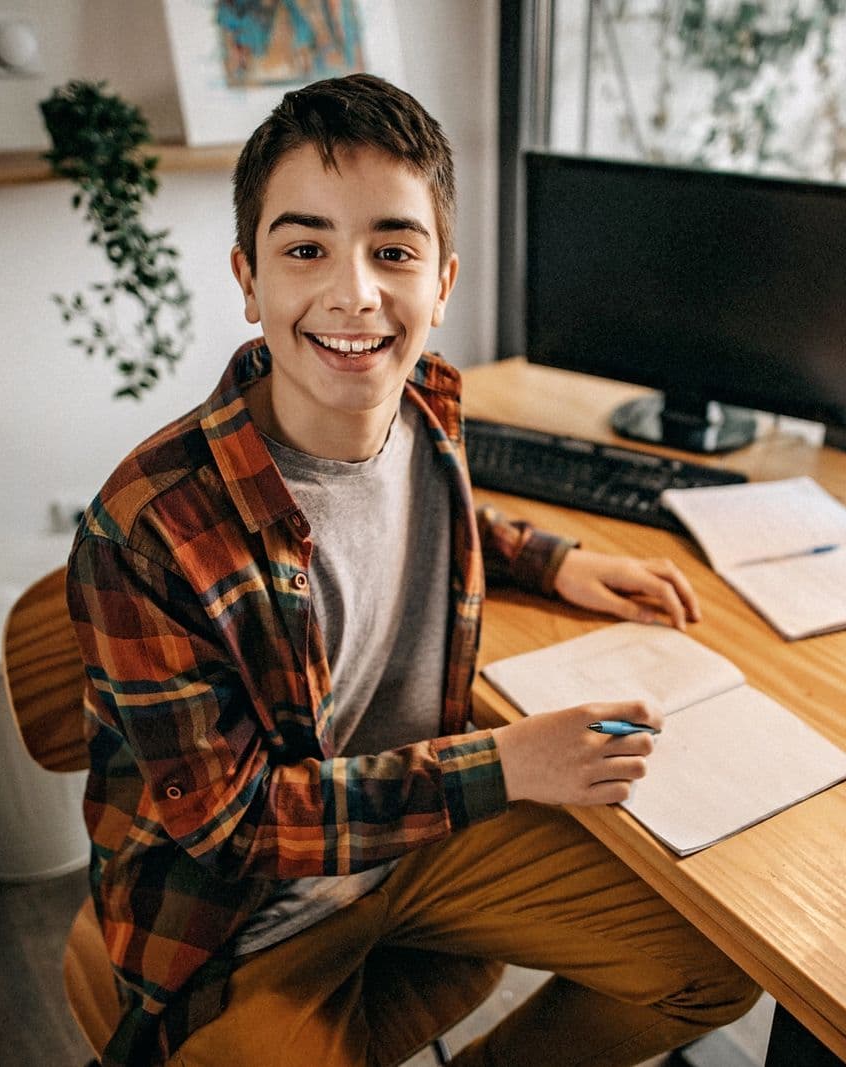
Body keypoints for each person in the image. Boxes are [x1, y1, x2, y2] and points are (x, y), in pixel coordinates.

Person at [66, 72, 759, 1067]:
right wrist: (508, 764)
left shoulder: (424, 407)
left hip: (424, 842)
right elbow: (234, 827)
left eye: (393, 250)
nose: (355, 292)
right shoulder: (146, 527)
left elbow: (413, 502)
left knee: (714, 969)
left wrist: (553, 559)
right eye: (305, 248)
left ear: (443, 280)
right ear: (248, 280)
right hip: (244, 920)